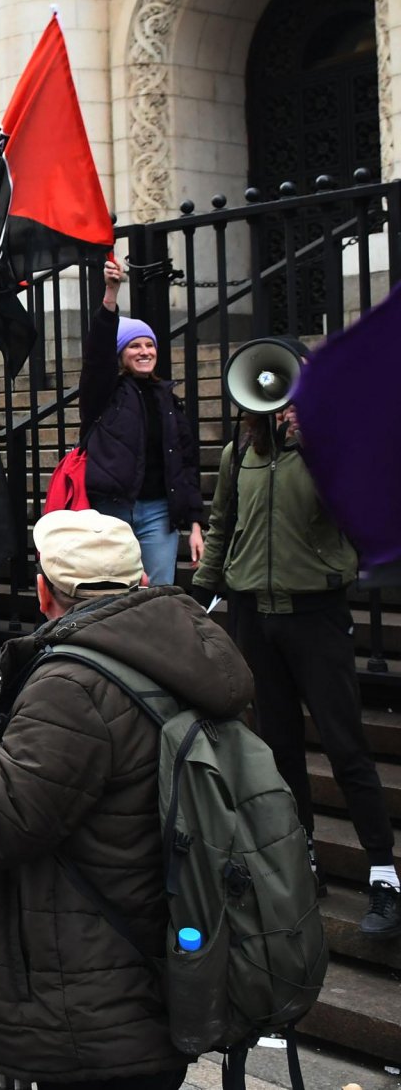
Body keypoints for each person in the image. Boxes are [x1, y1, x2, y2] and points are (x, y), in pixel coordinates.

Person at [0, 509, 251, 1090]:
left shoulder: (72, 686)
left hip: (88, 997)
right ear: (141, 584)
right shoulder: (192, 657)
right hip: (162, 967)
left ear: (44, 592)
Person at [195, 400, 397, 936]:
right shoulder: (241, 451)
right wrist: (203, 592)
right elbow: (221, 524)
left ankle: (383, 873)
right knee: (279, 746)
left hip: (316, 615)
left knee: (345, 744)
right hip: (254, 616)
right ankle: (302, 858)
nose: (281, 406)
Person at [82, 254, 204, 584]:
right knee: (117, 591)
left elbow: (186, 464)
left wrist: (194, 524)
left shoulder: (168, 398)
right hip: (113, 509)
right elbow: (97, 354)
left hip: (159, 512)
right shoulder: (104, 393)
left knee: (157, 593)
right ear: (121, 354)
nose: (145, 351)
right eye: (134, 345)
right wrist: (111, 295)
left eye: (150, 345)